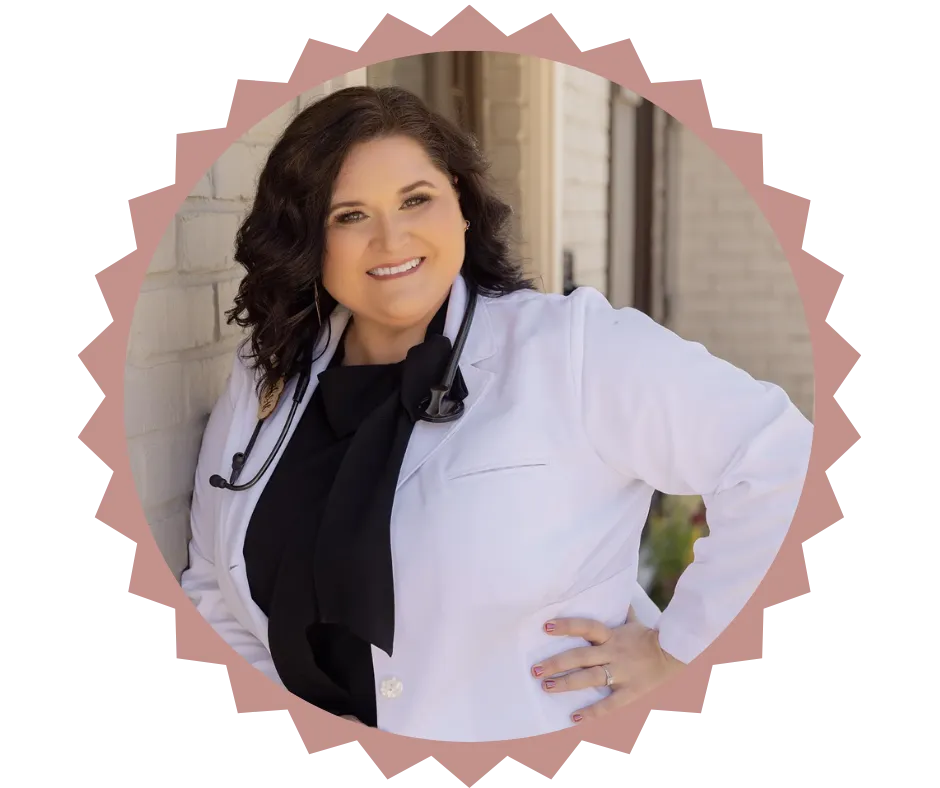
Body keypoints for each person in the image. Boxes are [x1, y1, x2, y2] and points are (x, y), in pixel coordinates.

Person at [179, 85, 814, 743]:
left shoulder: (570, 349)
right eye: (349, 215)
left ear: (460, 202)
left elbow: (782, 461)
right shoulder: (269, 376)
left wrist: (679, 654)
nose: (391, 238)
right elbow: (213, 592)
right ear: (309, 238)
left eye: (415, 199)